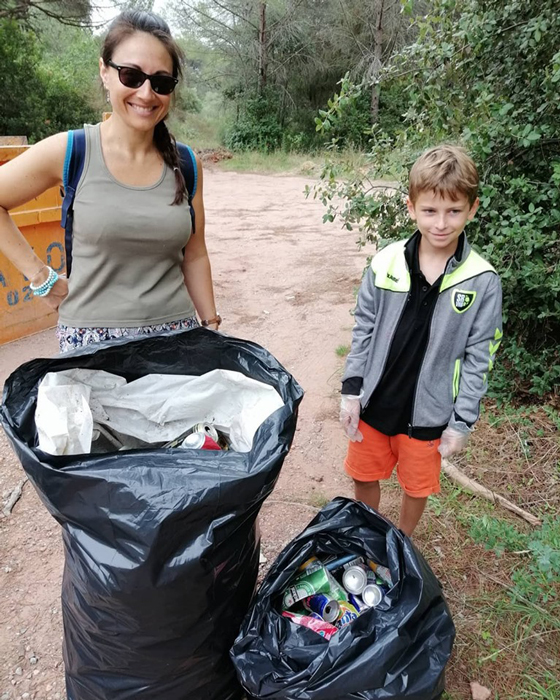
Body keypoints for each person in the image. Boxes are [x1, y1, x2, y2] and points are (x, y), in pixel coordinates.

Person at [0, 10, 221, 353]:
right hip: (92, 348)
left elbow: (194, 254)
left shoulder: (186, 164)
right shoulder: (71, 151)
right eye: (132, 75)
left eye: (161, 82)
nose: (147, 94)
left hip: (178, 345)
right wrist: (40, 279)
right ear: (105, 71)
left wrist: (212, 328)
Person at [339, 144, 503, 536]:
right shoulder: (385, 263)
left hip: (430, 414)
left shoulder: (482, 280)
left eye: (454, 211)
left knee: (417, 486)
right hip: (376, 400)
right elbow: (363, 328)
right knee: (365, 474)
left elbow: (481, 356)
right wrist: (351, 390)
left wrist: (461, 422)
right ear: (411, 207)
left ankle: (403, 541)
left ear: (472, 209)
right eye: (429, 210)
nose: (441, 223)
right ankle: (370, 536)